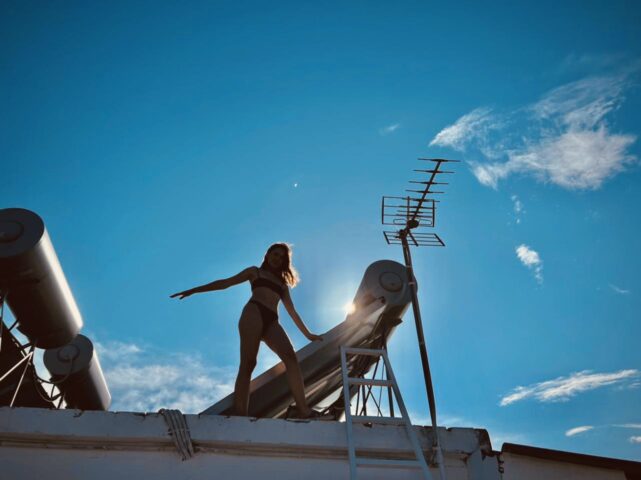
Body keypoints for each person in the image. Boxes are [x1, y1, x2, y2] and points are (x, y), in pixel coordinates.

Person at [170, 243, 323, 418]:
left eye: (281, 257)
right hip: (254, 313)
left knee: (291, 358)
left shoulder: (282, 284)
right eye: (275, 254)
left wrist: (308, 334)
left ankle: (303, 409)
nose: (277, 259)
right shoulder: (254, 272)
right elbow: (225, 283)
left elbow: (292, 311)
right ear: (267, 255)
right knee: (249, 362)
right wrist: (195, 290)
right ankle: (241, 414)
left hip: (272, 320)